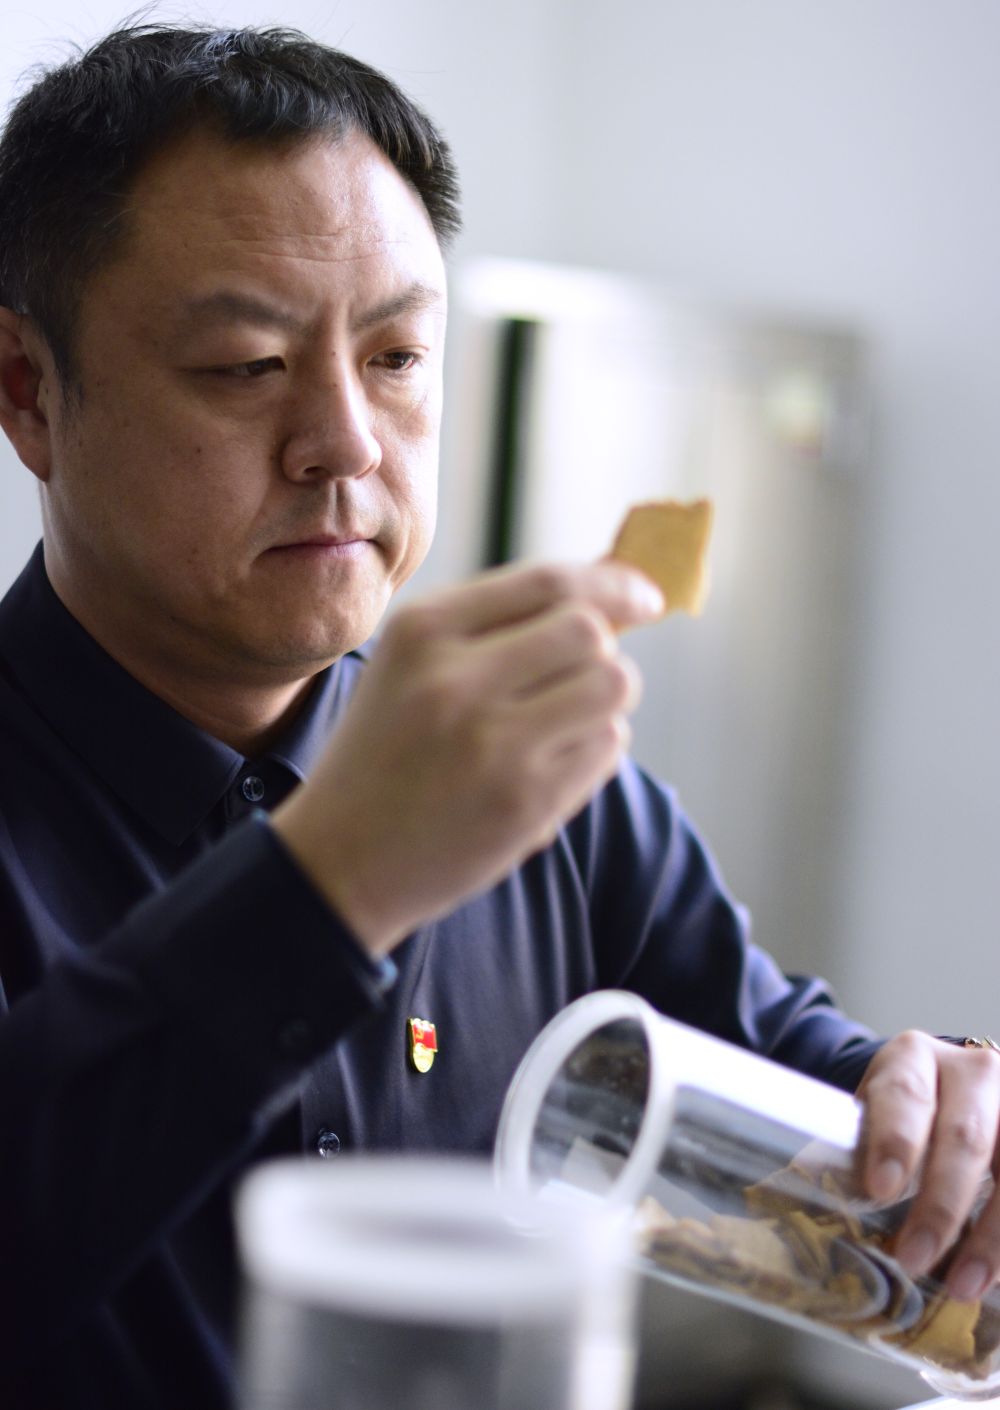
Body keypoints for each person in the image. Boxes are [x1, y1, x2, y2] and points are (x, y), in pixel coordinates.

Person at [0, 21, 997, 1410]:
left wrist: (940, 1120)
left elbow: (801, 1093)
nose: (346, 440)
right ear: (30, 392)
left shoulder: (550, 786)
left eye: (399, 355)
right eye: (244, 365)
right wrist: (333, 883)